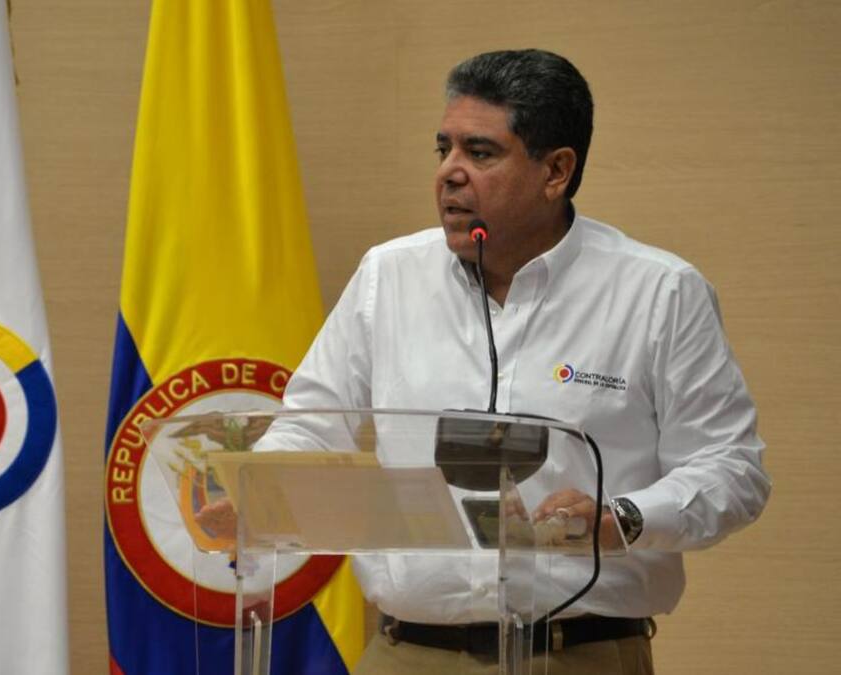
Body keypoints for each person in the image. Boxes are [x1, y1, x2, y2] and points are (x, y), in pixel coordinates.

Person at [273, 49, 771, 674]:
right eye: (444, 149)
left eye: (480, 153)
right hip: (408, 652)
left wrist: (622, 519)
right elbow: (309, 424)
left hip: (578, 653)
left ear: (556, 170)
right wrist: (249, 487)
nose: (449, 173)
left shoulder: (658, 292)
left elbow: (732, 470)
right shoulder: (388, 276)